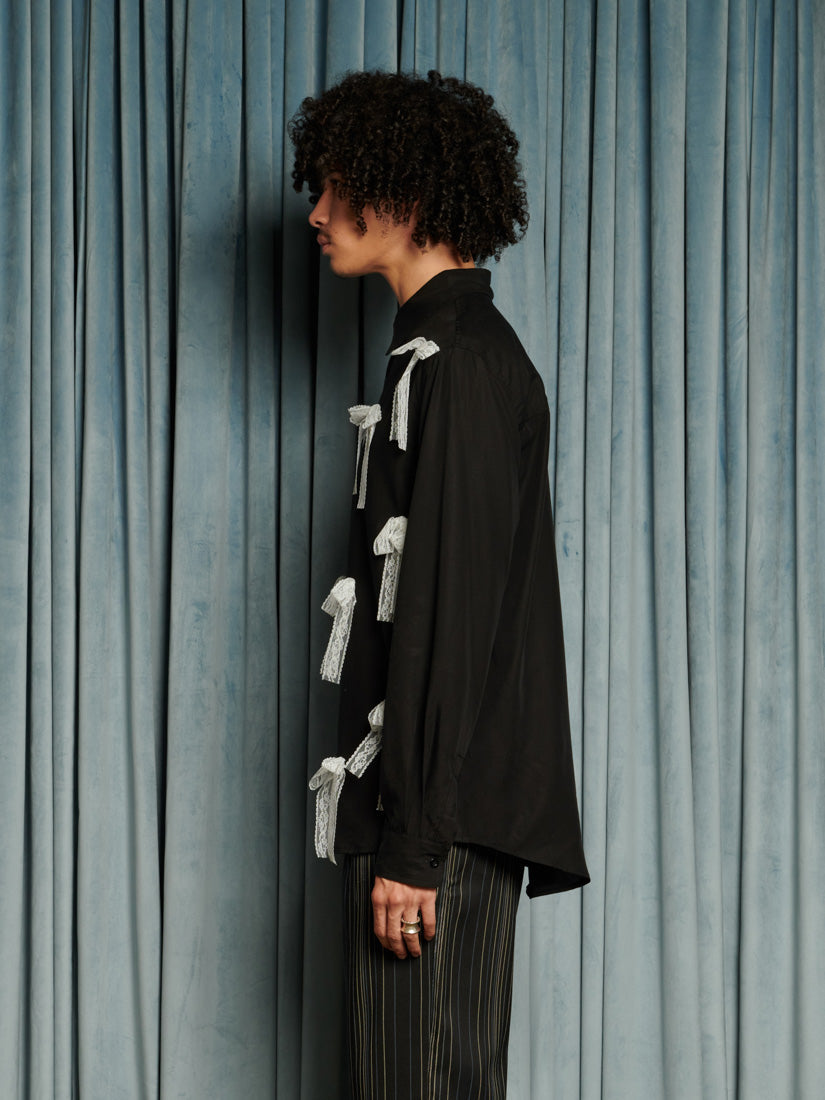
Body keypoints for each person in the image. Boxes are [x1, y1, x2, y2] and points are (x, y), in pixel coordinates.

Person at [289, 69, 589, 1099]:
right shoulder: (441, 355)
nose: (318, 211)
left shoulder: (457, 363)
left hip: (437, 823)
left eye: (337, 185)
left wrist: (412, 847)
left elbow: (451, 618)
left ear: (405, 193)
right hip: (437, 812)